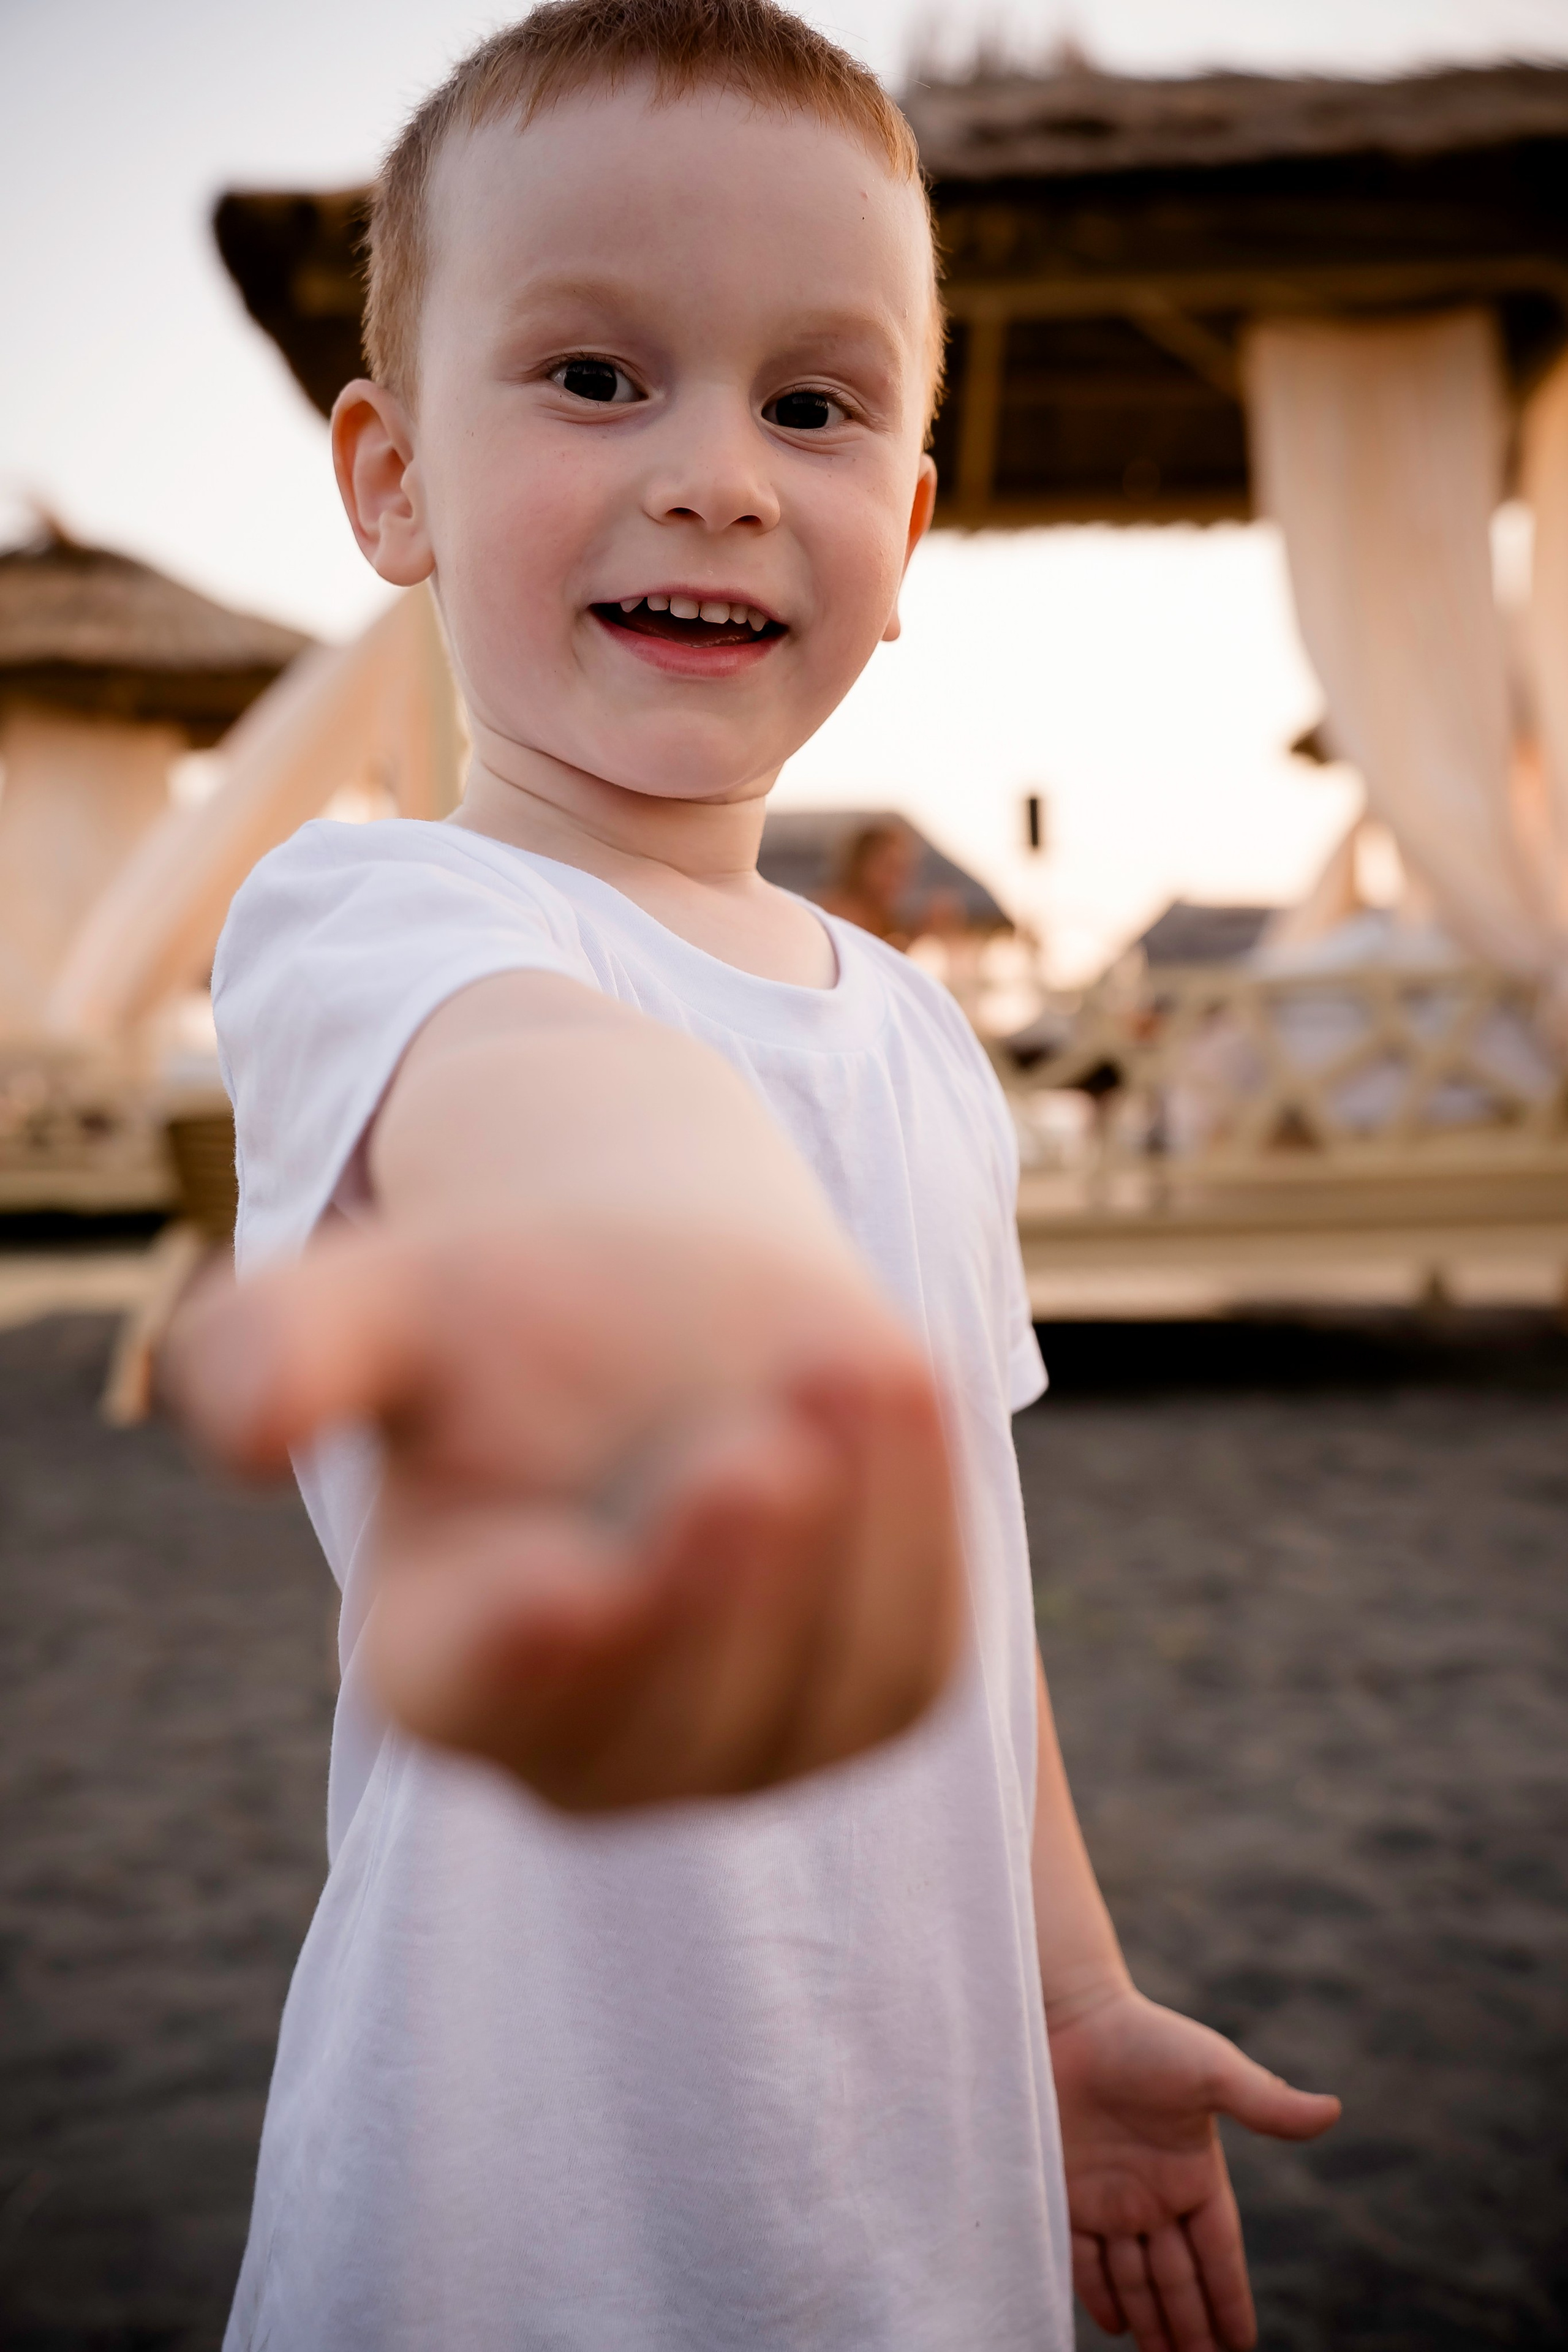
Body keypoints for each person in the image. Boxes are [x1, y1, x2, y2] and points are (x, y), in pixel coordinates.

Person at [166, 5, 1340, 2345]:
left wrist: (1080, 2005)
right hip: (513, 2208)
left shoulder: (915, 1030)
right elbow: (545, 1097)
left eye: (813, 406)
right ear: (389, 481)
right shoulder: (384, 915)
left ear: (902, 531)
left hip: (926, 2191)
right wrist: (684, 1256)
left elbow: (975, 1595)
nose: (717, 473)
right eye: (597, 376)